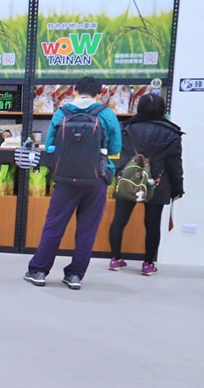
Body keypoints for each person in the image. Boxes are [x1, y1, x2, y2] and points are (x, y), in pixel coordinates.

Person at [24, 76, 121, 290]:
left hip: (65, 179)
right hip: (97, 179)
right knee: (87, 230)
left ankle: (39, 271)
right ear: (100, 93)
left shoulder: (62, 113)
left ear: (75, 91)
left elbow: (50, 146)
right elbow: (115, 148)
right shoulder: (106, 115)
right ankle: (75, 275)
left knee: (54, 226)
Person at [108, 94, 184, 275]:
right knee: (152, 224)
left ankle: (115, 259)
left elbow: (119, 154)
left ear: (139, 107)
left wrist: (119, 172)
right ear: (162, 109)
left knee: (119, 220)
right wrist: (177, 188)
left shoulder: (126, 128)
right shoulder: (172, 133)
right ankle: (148, 264)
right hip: (158, 182)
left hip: (128, 180)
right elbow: (175, 164)